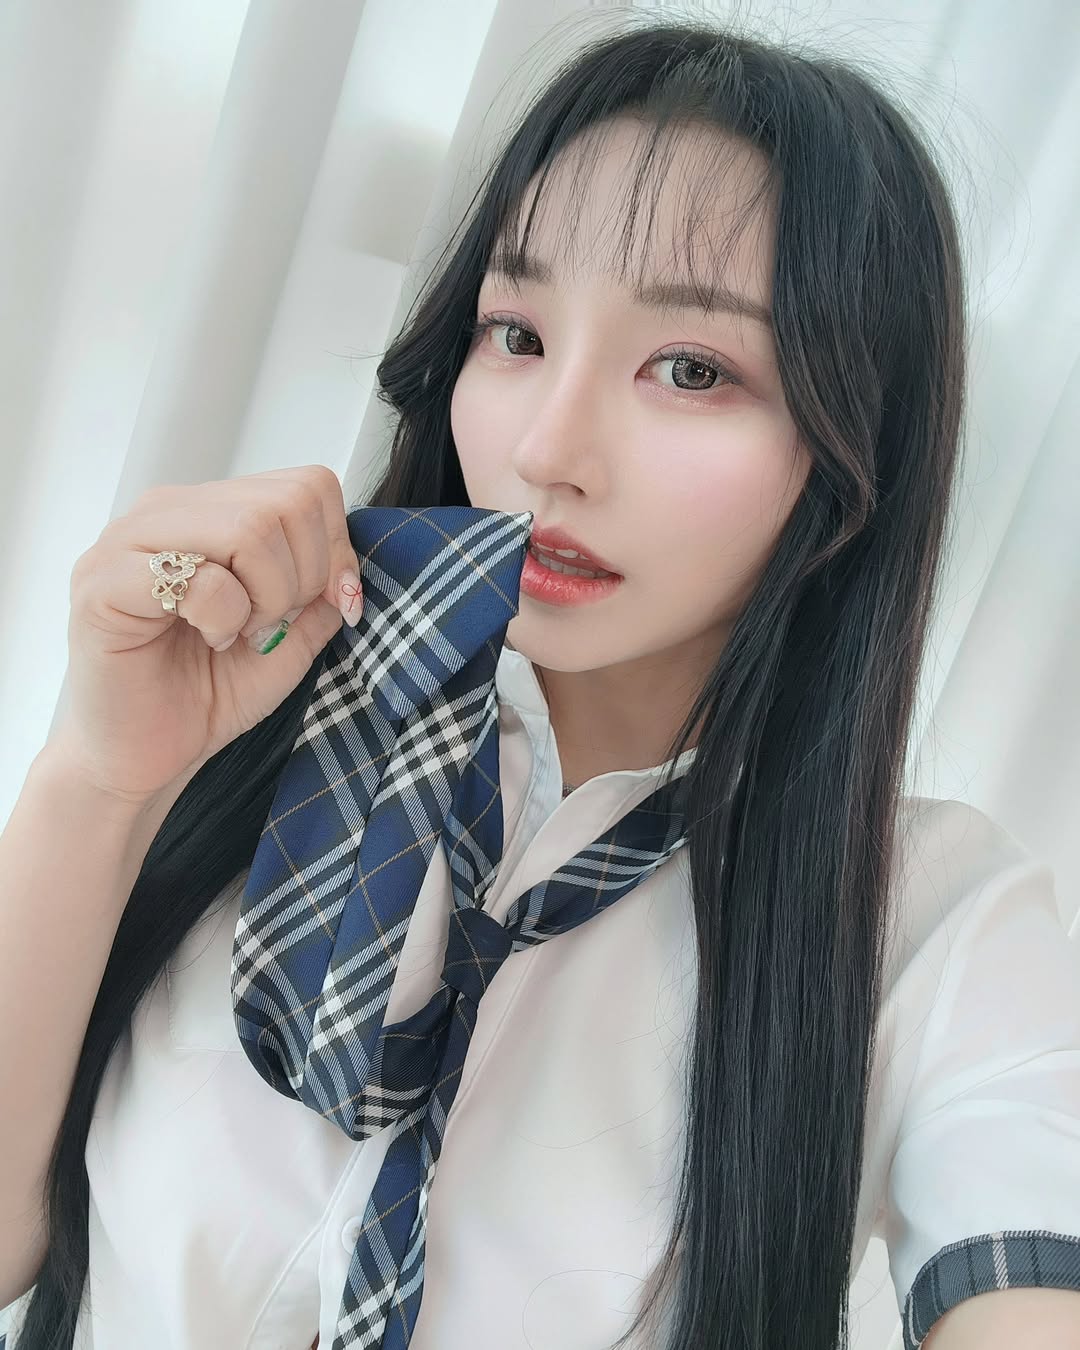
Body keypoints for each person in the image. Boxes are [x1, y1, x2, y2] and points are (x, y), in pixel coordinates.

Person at [1, 13, 1078, 1350]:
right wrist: (97, 779)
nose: (549, 448)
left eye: (692, 369)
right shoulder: (246, 698)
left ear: (854, 448)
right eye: (514, 333)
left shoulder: (932, 921)